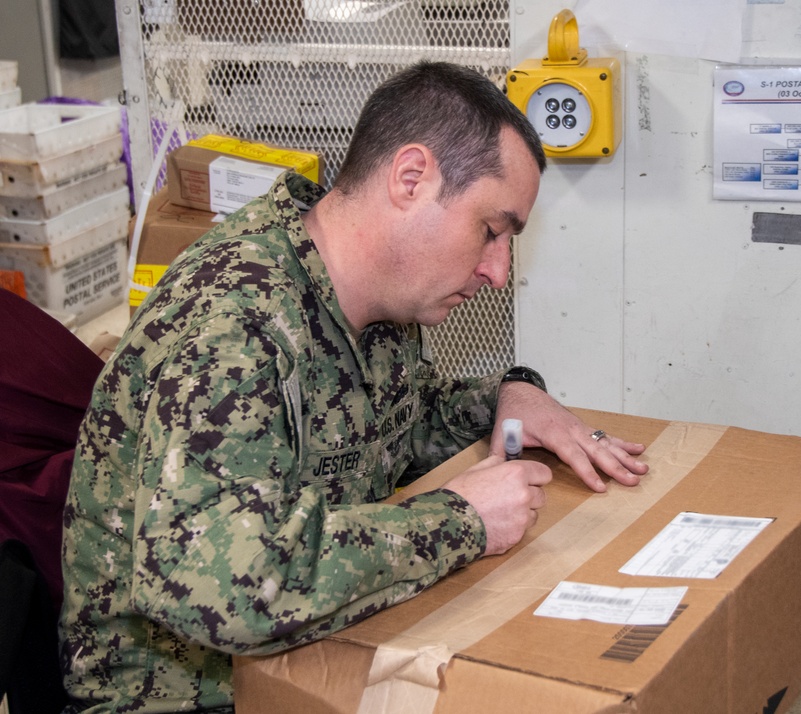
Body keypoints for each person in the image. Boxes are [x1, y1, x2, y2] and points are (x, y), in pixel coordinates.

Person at [59, 60, 649, 713]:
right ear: (410, 178)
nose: (497, 271)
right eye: (491, 230)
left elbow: (392, 426)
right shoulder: (238, 323)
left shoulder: (366, 297)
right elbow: (221, 588)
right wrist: (459, 520)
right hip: (196, 698)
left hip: (313, 662)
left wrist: (509, 397)